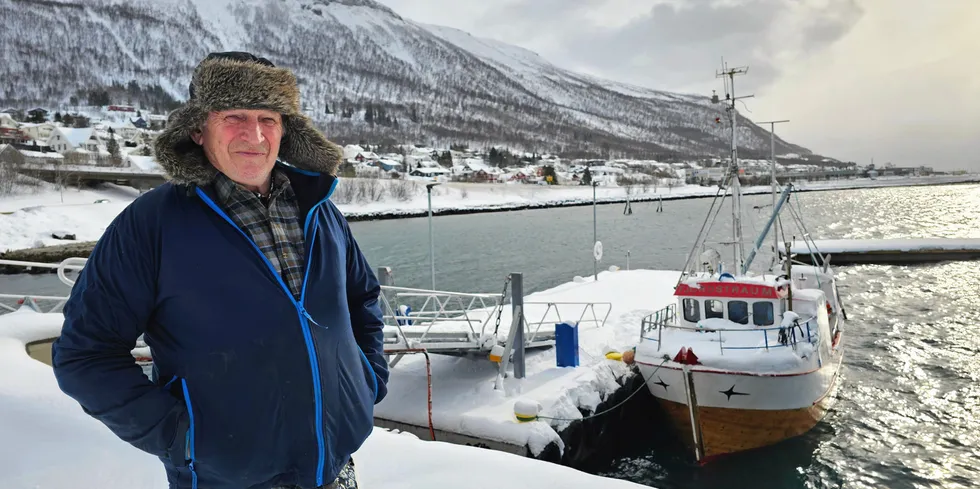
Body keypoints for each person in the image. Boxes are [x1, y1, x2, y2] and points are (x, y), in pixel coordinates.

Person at [51, 52, 388, 489]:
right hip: (224, 479)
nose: (255, 134)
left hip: (333, 466)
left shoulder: (320, 212)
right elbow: (85, 356)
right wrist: (183, 439)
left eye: (269, 118)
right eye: (234, 116)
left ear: (285, 130)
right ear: (197, 129)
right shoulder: (151, 224)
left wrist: (366, 382)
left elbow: (361, 299)